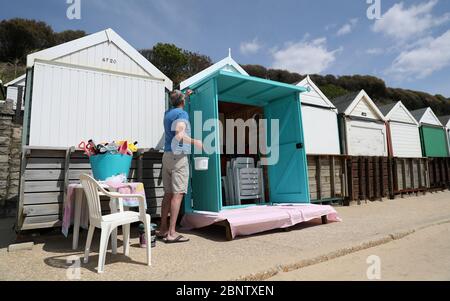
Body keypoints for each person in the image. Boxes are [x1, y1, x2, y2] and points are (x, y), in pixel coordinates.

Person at [158, 89, 203, 243]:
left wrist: (185, 95)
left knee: (168, 194)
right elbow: (179, 135)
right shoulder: (182, 114)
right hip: (179, 157)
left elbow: (177, 102)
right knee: (178, 195)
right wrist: (196, 142)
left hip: (167, 156)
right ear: (182, 102)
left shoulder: (168, 113)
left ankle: (163, 229)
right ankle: (172, 233)